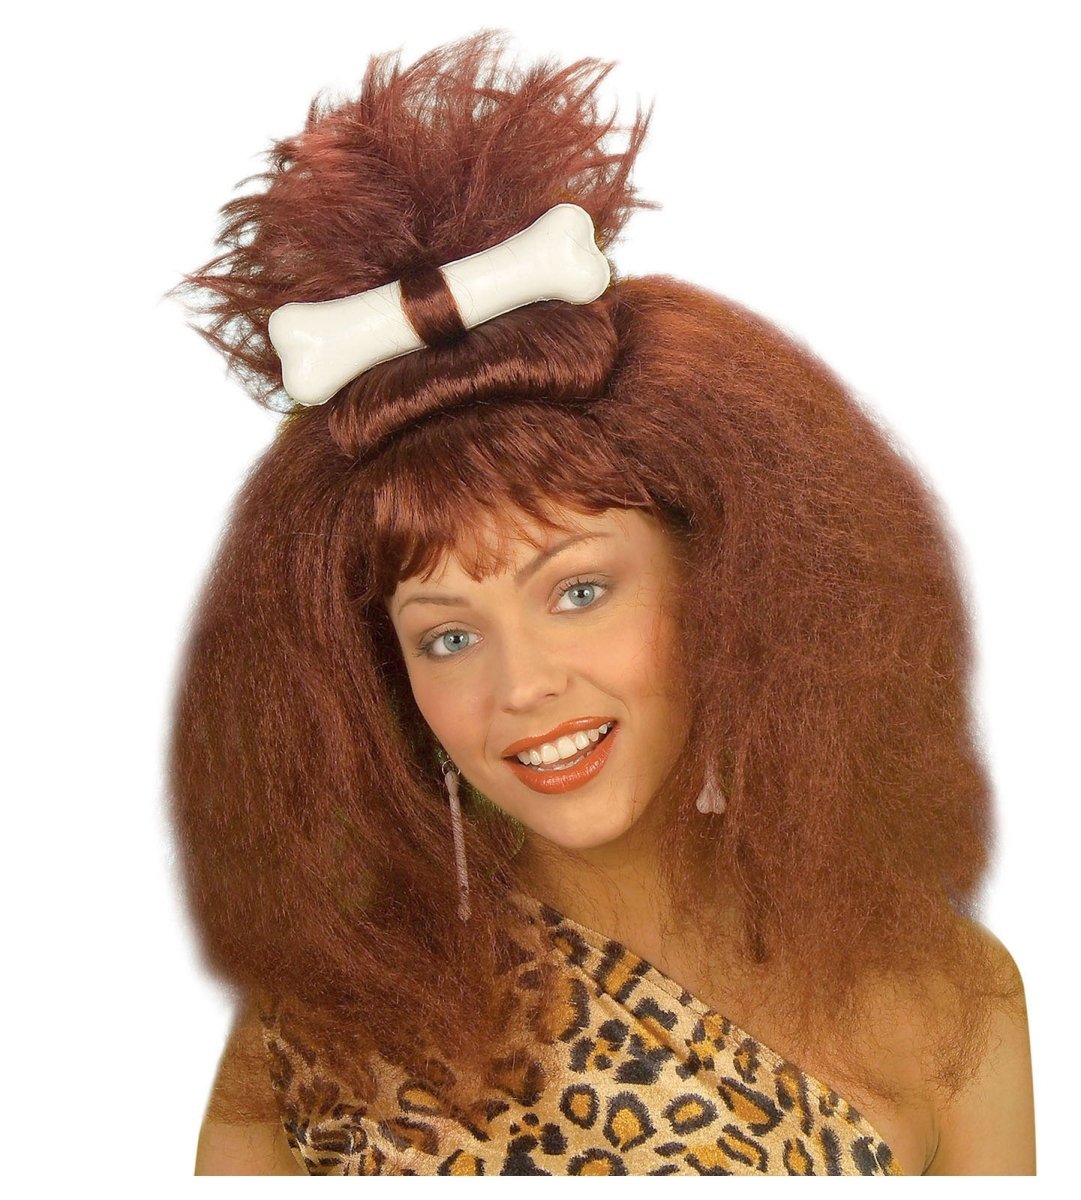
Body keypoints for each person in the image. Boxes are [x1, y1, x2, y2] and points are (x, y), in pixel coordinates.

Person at [170, 31, 1035, 1176]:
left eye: (577, 590)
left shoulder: (945, 1008)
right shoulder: (309, 1037)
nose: (521, 685)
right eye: (447, 635)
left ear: (727, 586)